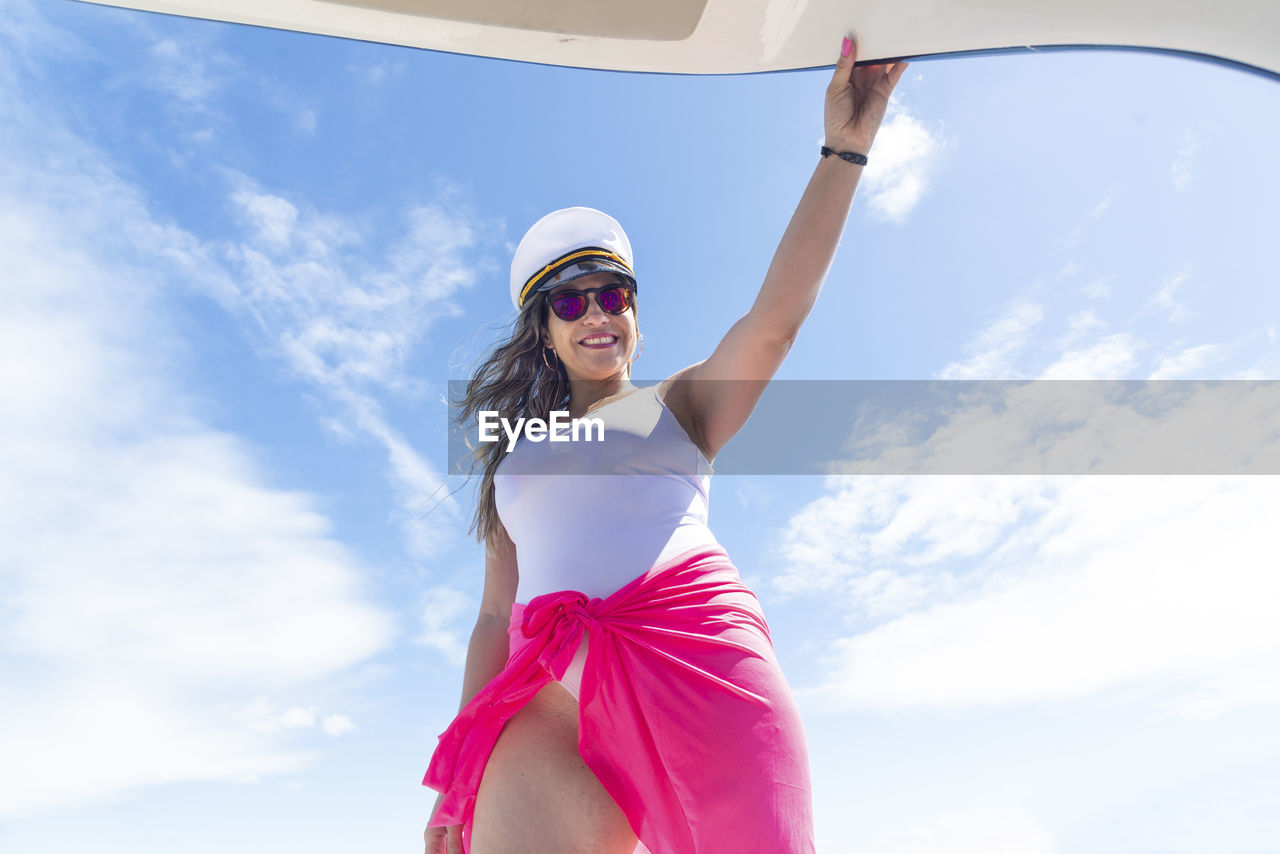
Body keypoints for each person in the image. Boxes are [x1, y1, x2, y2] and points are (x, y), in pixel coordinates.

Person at [424, 35, 907, 854]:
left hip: (694, 658)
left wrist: (843, 150)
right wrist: (455, 790)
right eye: (569, 306)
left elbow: (773, 326)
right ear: (544, 333)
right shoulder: (512, 452)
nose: (597, 316)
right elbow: (494, 616)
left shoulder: (680, 403)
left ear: (635, 316)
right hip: (548, 693)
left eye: (612, 295)